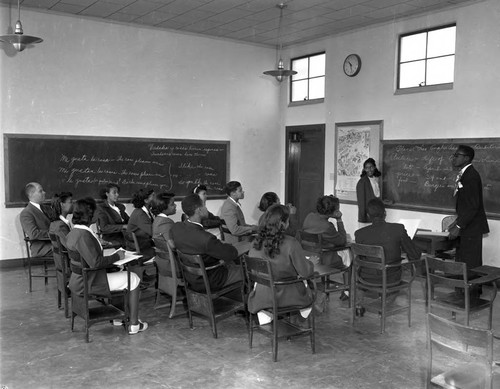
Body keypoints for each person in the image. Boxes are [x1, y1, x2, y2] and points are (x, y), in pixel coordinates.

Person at [66, 197, 147, 335]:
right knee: (133, 278)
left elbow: (89, 257)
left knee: (119, 270)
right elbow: (95, 262)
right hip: (90, 281)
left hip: (80, 278)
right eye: (96, 212)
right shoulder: (83, 235)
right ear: (89, 215)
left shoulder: (74, 232)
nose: (98, 214)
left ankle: (118, 319)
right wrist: (117, 256)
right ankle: (134, 324)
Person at [248, 204, 315, 324]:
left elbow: (254, 271)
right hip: (286, 296)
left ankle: (265, 314)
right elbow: (305, 272)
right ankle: (299, 317)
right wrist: (311, 263)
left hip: (261, 295)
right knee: (311, 289)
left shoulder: (255, 242)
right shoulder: (291, 243)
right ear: (284, 223)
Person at [170, 194, 242, 293]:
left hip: (191, 279)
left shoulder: (176, 228)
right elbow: (232, 254)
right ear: (199, 210)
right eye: (204, 205)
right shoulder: (206, 238)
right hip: (211, 280)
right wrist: (223, 245)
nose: (206, 208)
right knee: (246, 270)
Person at [354, 198, 422, 286]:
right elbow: (414, 254)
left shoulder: (359, 234)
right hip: (390, 278)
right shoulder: (398, 229)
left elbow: (361, 258)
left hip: (365, 278)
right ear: (385, 213)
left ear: (368, 215)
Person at [448, 145, 489, 269]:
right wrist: (457, 222)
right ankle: (463, 287)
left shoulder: (470, 176)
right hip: (467, 224)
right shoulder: (465, 174)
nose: (453, 158)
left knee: (470, 264)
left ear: (466, 158)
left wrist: (459, 226)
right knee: (464, 261)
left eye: (457, 155)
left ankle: (470, 288)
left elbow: (473, 206)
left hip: (472, 227)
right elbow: (467, 204)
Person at [302, 195, 349, 268]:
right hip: (323, 259)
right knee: (347, 254)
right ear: (332, 211)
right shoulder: (328, 227)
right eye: (337, 209)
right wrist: (339, 220)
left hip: (306, 255)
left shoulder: (309, 216)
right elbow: (342, 241)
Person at [20, 182, 53, 257]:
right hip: (41, 248)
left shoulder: (47, 208)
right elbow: (34, 234)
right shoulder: (26, 213)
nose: (44, 192)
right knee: (70, 249)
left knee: (74, 246)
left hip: (54, 243)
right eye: (40, 191)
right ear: (31, 194)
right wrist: (54, 234)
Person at [95, 183, 129, 247]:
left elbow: (129, 220)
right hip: (112, 238)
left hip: (125, 237)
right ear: (107, 194)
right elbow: (104, 227)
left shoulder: (120, 207)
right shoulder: (102, 208)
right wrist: (123, 227)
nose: (117, 195)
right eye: (114, 193)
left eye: (118, 192)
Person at [127, 188, 155, 257]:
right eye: (153, 196)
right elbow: (153, 232)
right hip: (141, 248)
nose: (156, 198)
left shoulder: (145, 212)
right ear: (146, 200)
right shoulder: (140, 214)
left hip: (143, 244)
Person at [356, 158, 382, 224]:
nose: (369, 170)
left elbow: (376, 196)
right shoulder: (362, 182)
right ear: (364, 169)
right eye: (367, 168)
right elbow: (361, 202)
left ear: (375, 167)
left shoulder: (375, 179)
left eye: (371, 167)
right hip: (367, 218)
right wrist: (363, 219)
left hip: (376, 217)